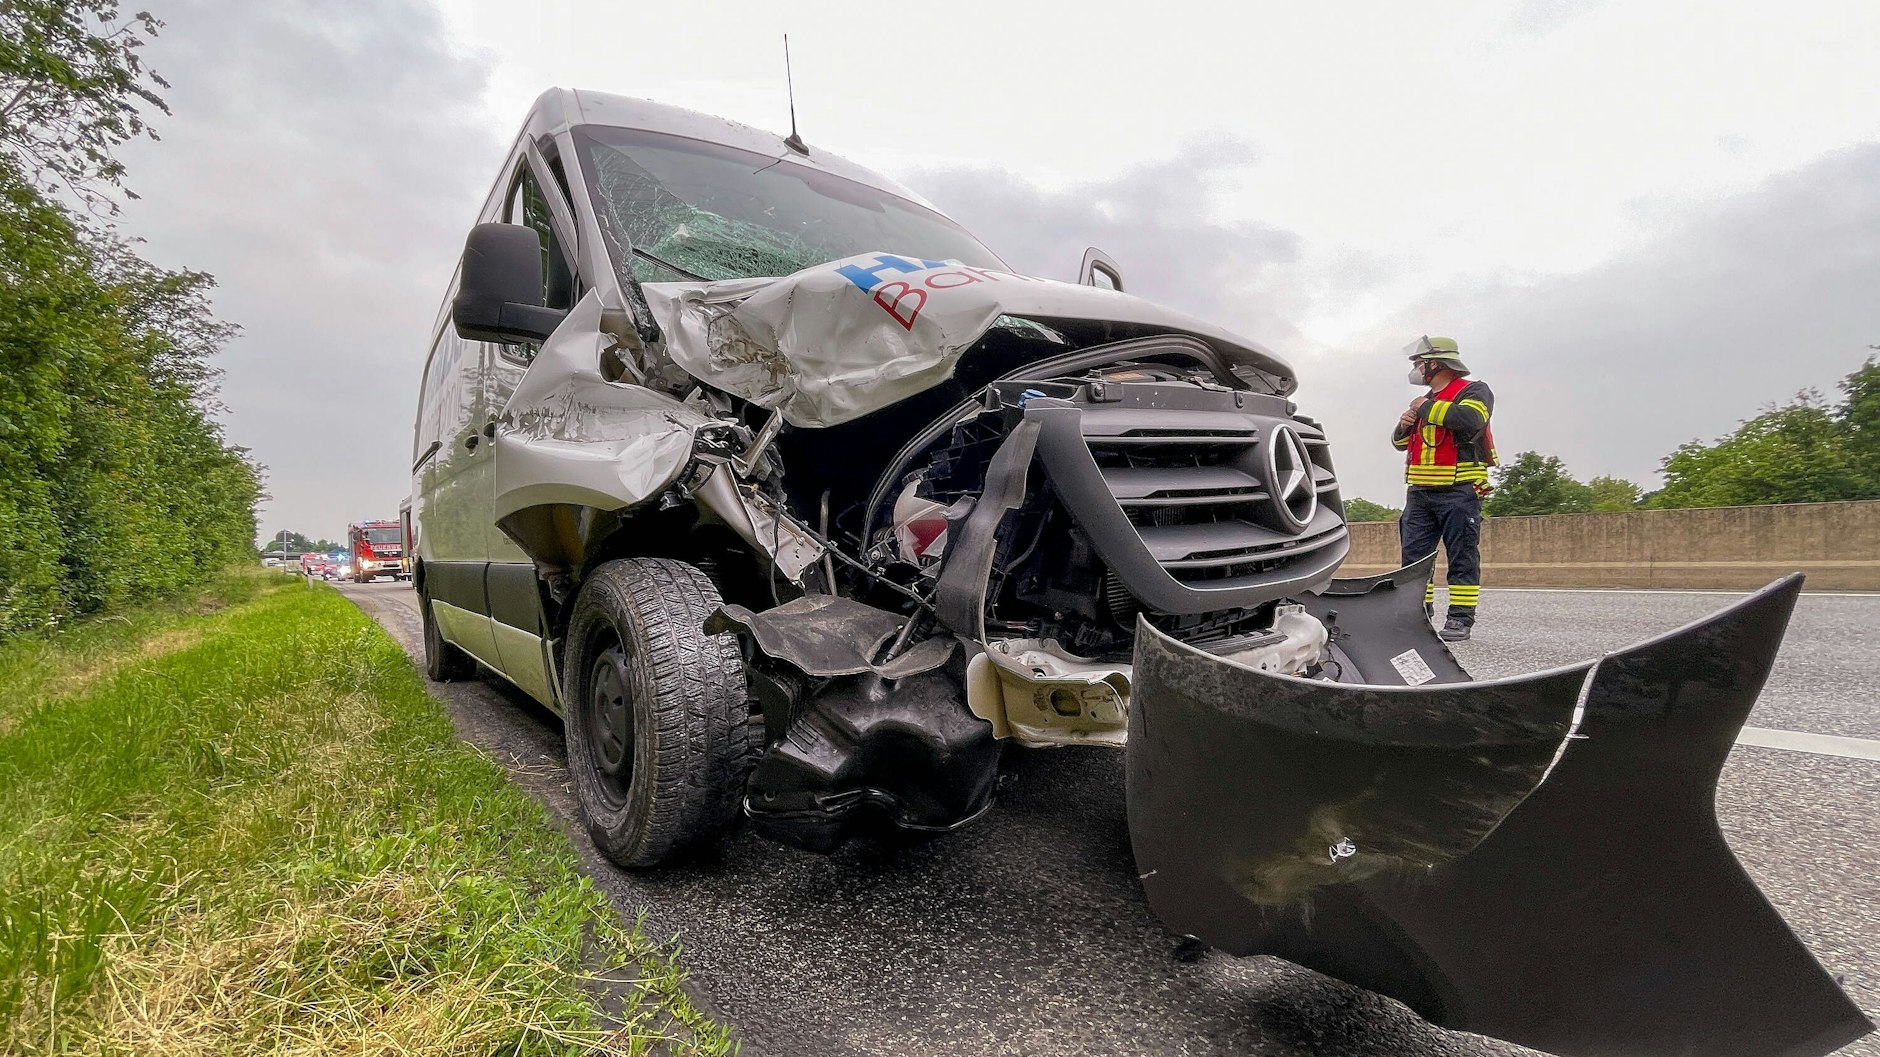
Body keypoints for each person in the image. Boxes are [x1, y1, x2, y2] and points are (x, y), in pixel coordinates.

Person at [1391, 336, 1497, 641]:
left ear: (1434, 363)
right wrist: (1403, 424)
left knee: (1462, 555)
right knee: (1413, 560)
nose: (1414, 368)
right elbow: (1400, 444)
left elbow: (1470, 420)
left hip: (1459, 490)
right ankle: (1416, 614)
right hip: (1420, 493)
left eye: (1417, 362)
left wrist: (1425, 407)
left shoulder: (1473, 391)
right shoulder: (1424, 401)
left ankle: (1460, 619)